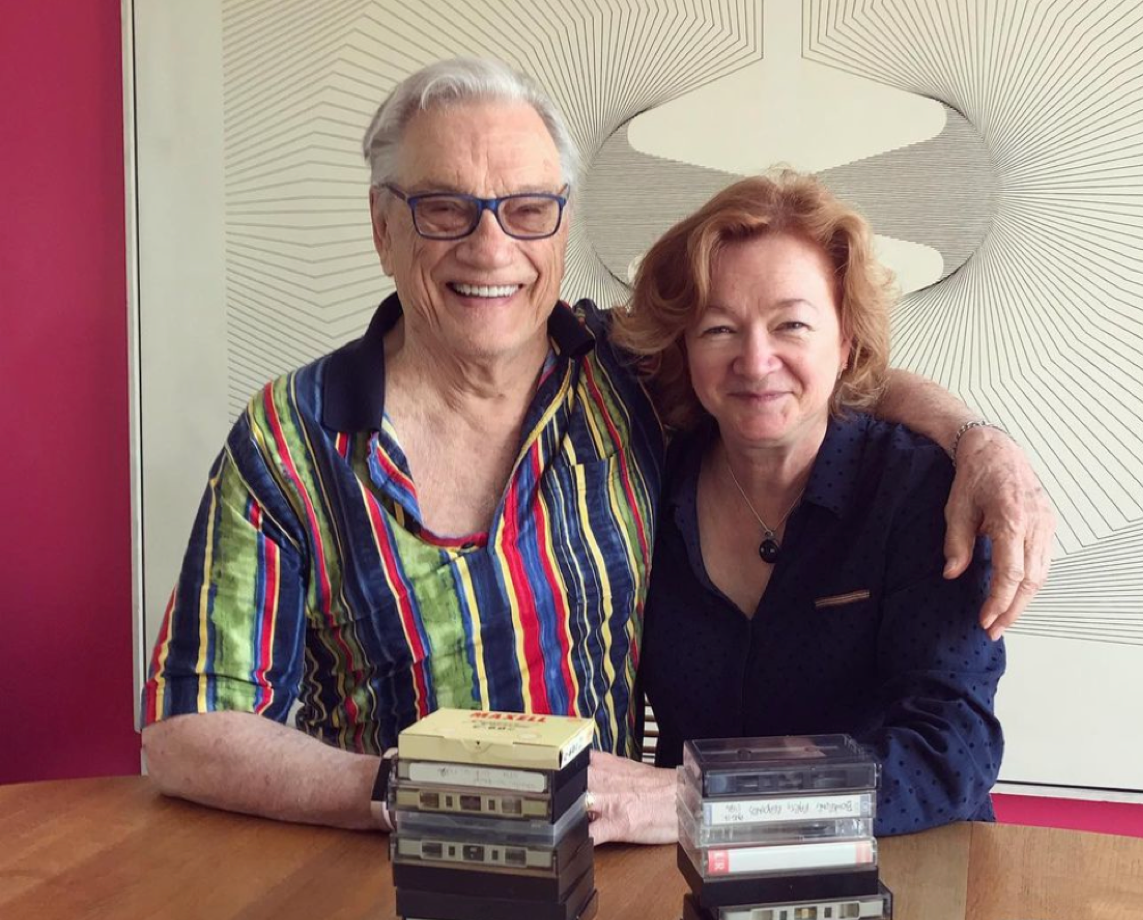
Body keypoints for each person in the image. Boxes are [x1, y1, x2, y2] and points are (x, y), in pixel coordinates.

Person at [141, 58, 1050, 832]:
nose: (491, 247)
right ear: (384, 226)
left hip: (634, 875)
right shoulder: (290, 437)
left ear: (562, 227)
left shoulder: (617, 377)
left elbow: (789, 379)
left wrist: (981, 443)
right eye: (445, 208)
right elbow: (187, 731)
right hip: (390, 881)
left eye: (528, 208)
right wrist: (414, 790)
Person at [588, 173, 1004, 842]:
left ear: (845, 343)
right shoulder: (645, 476)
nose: (756, 361)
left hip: (898, 872)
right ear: (685, 347)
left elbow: (949, 754)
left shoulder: (916, 490)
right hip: (692, 887)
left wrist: (711, 797)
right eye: (719, 327)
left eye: (792, 324)